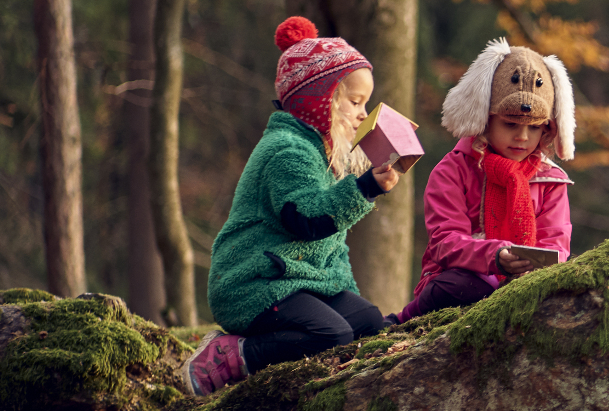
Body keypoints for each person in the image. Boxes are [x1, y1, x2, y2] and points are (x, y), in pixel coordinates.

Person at [181, 17, 398, 395]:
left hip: (299, 280)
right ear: (320, 100)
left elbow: (331, 243)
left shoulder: (327, 155)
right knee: (331, 335)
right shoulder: (287, 151)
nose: (364, 114)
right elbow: (307, 219)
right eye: (355, 102)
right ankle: (234, 354)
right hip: (255, 283)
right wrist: (364, 188)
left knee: (366, 321)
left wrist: (343, 289)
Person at [387, 38, 577, 324]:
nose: (522, 137)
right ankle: (403, 319)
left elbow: (556, 244)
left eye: (534, 127)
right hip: (462, 278)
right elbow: (445, 241)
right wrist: (497, 256)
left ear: (548, 130)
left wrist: (531, 266)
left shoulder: (550, 179)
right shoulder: (453, 169)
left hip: (527, 281)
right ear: (486, 119)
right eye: (510, 124)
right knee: (463, 287)